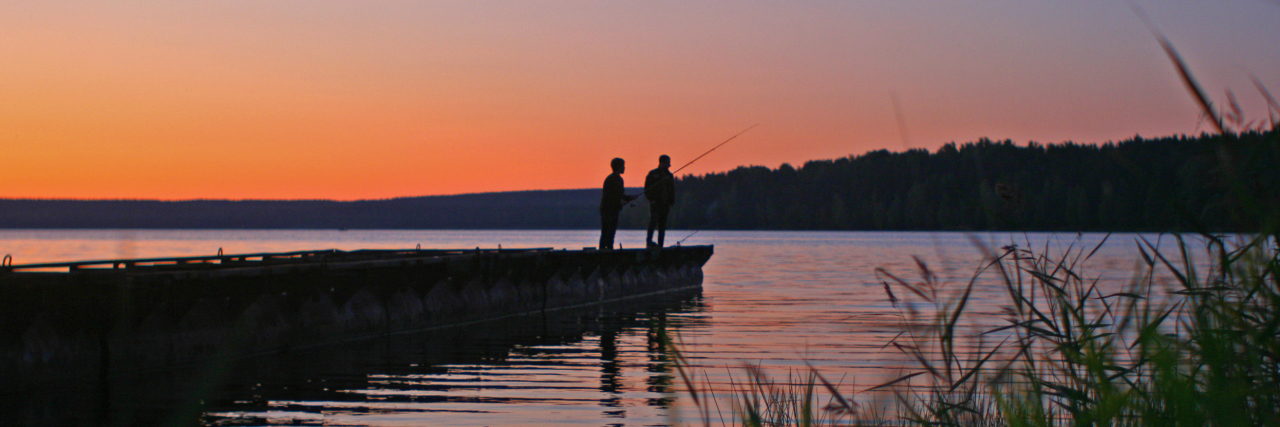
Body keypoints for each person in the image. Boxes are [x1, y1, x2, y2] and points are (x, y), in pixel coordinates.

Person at [599, 158, 636, 250]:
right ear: (618, 167)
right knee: (607, 231)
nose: (624, 168)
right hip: (608, 209)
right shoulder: (613, 179)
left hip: (614, 208)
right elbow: (616, 195)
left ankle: (607, 249)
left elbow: (620, 195)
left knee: (610, 231)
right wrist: (629, 198)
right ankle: (604, 250)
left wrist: (629, 198)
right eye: (623, 166)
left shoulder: (617, 179)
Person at [644, 155, 676, 248]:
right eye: (667, 162)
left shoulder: (669, 175)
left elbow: (672, 190)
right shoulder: (653, 173)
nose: (669, 164)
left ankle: (660, 245)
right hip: (655, 203)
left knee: (662, 226)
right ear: (662, 162)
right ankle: (649, 243)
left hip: (665, 204)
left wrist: (671, 202)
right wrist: (651, 200)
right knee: (653, 223)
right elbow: (647, 188)